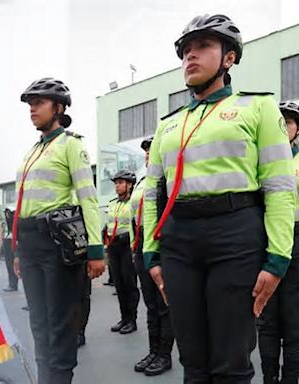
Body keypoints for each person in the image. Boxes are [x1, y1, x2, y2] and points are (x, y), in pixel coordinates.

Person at [143, 14, 295, 383]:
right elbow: (152, 194)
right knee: (192, 360)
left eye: (203, 47)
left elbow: (279, 188)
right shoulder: (168, 123)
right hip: (179, 241)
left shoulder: (258, 108)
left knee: (230, 361)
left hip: (236, 236)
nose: (190, 57)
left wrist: (277, 259)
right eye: (185, 51)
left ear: (229, 58)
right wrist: (151, 253)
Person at [12, 77, 105, 384]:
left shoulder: (71, 144)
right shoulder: (31, 152)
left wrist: (95, 249)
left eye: (38, 103)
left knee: (59, 322)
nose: (32, 110)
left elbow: (88, 197)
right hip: (29, 243)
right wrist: (16, 250)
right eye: (30, 105)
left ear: (59, 107)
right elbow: (22, 201)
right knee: (38, 321)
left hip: (56, 244)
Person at [257, 100, 299, 384]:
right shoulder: (260, 160)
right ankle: (269, 378)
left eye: (290, 122)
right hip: (265, 244)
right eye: (279, 122)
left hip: (297, 243)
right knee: (267, 321)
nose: (283, 127)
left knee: (295, 323)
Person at [131, 136, 174, 376]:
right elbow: (134, 216)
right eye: (146, 151)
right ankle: (153, 351)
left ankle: (165, 355)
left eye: (152, 150)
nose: (148, 154)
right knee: (150, 304)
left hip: (162, 242)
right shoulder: (142, 182)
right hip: (142, 243)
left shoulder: (166, 178)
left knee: (163, 303)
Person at [105, 170, 139, 335]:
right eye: (116, 183)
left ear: (130, 184)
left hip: (127, 246)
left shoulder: (133, 202)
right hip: (113, 246)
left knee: (129, 284)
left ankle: (132, 320)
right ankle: (124, 318)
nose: (117, 186)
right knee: (118, 284)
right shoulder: (112, 203)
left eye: (121, 183)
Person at [2, 208, 19, 292]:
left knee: (14, 261)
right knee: (8, 262)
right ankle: (12, 284)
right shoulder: (1, 210)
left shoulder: (13, 211)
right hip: (6, 237)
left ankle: (13, 284)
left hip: (14, 238)